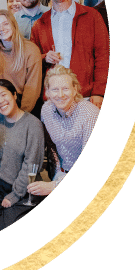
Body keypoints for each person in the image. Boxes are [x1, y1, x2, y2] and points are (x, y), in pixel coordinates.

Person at [0, 79, 45, 240]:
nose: (0, 101)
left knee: (3, 232)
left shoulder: (33, 125)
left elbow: (32, 165)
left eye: (3, 95)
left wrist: (15, 195)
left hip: (22, 188)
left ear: (14, 95)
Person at [30, 0, 110, 109]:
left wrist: (99, 92)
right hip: (53, 97)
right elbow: (32, 59)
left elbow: (103, 56)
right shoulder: (39, 24)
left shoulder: (92, 16)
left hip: (85, 96)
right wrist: (44, 57)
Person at [27, 65, 100, 197]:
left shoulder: (90, 114)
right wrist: (57, 176)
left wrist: (54, 186)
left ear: (75, 90)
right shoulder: (46, 110)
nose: (60, 95)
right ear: (47, 92)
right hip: (61, 175)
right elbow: (52, 148)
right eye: (55, 89)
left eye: (65, 89)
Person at [0, 10, 42, 113]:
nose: (1, 29)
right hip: (1, 104)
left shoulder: (31, 50)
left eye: (5, 24)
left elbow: (32, 89)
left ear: (13, 25)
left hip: (25, 106)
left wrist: (20, 115)